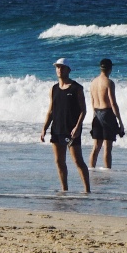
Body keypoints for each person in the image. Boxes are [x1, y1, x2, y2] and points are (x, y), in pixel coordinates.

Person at [39, 58, 90, 194]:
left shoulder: (76, 88)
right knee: (59, 161)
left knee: (78, 161)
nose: (59, 70)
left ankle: (87, 190)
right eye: (57, 67)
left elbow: (83, 110)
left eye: (62, 67)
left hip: (71, 130)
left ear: (68, 69)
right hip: (56, 129)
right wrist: (44, 128)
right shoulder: (54, 89)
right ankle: (64, 190)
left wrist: (78, 127)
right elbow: (51, 110)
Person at [87, 58, 124, 169]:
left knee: (96, 147)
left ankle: (91, 170)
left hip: (97, 114)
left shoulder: (93, 82)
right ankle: (107, 172)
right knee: (107, 148)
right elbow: (113, 103)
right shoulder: (109, 83)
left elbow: (93, 102)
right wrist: (120, 121)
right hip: (107, 114)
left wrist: (94, 116)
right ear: (110, 69)